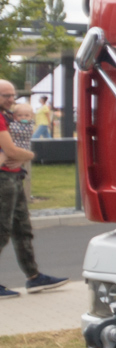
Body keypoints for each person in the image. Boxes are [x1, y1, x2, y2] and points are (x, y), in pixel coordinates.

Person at [0, 82, 64, 297]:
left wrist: (21, 155)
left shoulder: (9, 116)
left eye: (12, 95)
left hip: (14, 175)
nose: (11, 99)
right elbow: (9, 149)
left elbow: (14, 150)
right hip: (3, 179)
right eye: (5, 95)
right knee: (2, 230)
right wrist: (29, 155)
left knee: (22, 229)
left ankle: (34, 277)